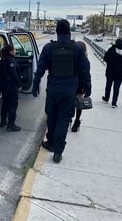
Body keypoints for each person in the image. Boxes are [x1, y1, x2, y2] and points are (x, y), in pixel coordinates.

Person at [32, 20, 91, 163]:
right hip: (69, 90)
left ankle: (51, 142)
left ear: (56, 32)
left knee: (51, 116)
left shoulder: (48, 48)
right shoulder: (77, 49)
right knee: (63, 120)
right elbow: (84, 70)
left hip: (53, 89)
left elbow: (40, 68)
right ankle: (58, 151)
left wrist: (35, 83)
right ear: (69, 32)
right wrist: (88, 86)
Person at [0, 44, 22, 132]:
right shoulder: (11, 60)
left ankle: (3, 121)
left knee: (5, 102)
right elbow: (13, 74)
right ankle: (11, 125)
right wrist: (19, 85)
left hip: (2, 83)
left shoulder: (1, 60)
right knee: (13, 104)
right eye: (14, 50)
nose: (15, 51)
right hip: (10, 84)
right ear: (11, 51)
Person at [102, 38, 122, 108]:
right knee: (116, 88)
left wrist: (110, 63)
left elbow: (105, 58)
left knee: (108, 85)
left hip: (110, 71)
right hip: (120, 73)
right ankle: (114, 103)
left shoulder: (112, 49)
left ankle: (106, 98)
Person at [71, 40, 90, 132]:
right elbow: (86, 75)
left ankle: (69, 117)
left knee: (70, 102)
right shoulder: (85, 61)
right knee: (79, 104)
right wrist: (87, 88)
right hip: (80, 85)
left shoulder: (70, 58)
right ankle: (76, 122)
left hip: (70, 84)